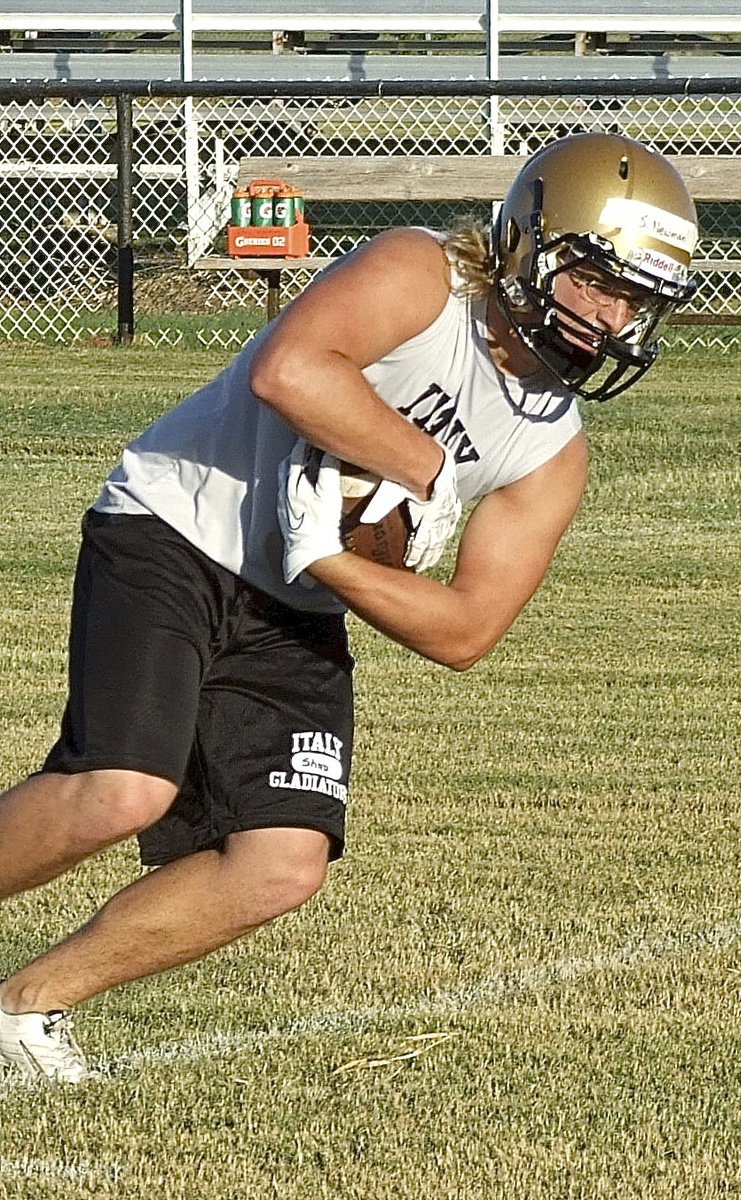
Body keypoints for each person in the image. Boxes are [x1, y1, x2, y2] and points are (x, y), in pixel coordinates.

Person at [0, 133, 697, 1083]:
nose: (607, 319)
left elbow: (466, 630)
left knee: (281, 864)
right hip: (176, 525)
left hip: (293, 595)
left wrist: (331, 560)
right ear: (532, 242)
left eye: (635, 302)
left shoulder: (553, 451)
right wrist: (424, 469)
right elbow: (290, 369)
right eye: (593, 281)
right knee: (121, 791)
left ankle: (23, 1010)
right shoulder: (421, 272)